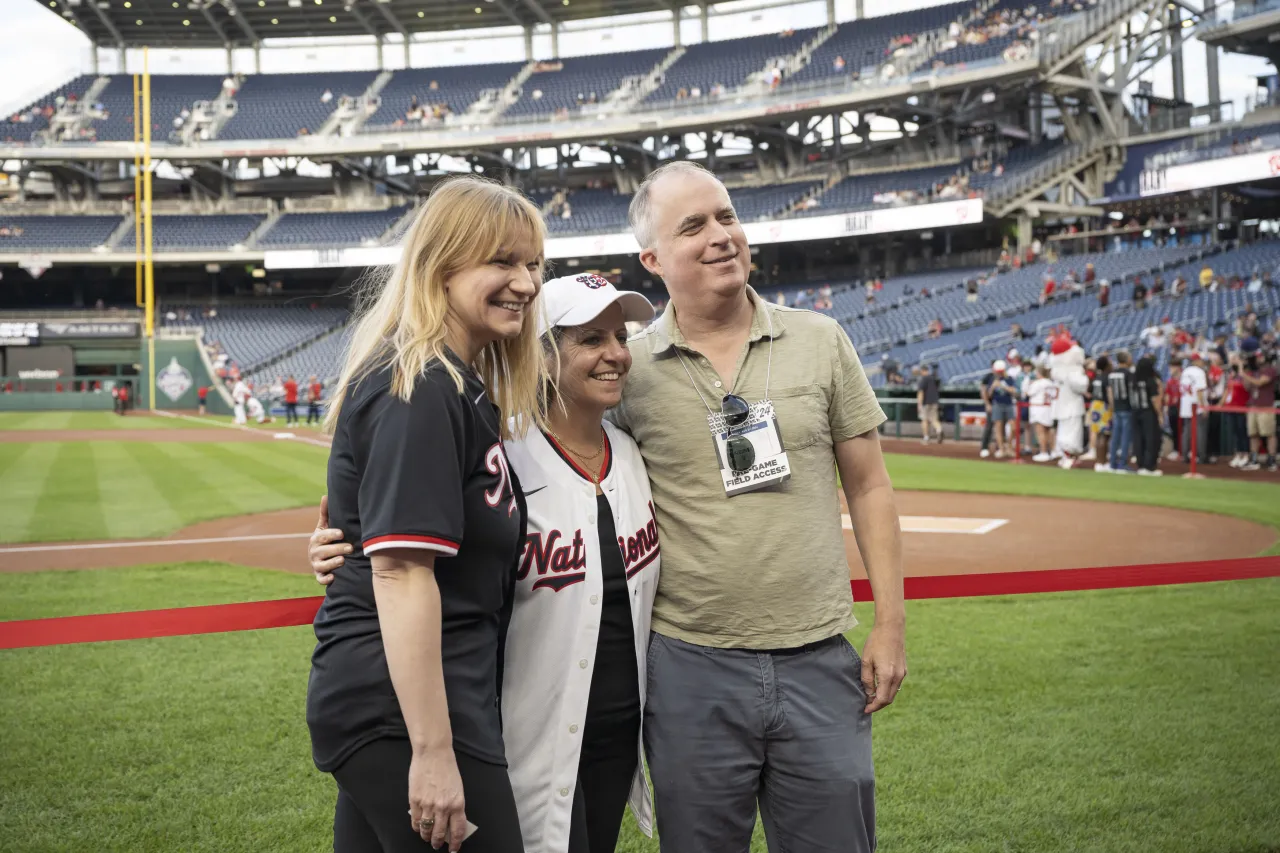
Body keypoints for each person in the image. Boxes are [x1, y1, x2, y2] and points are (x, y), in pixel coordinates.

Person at [311, 274, 663, 853]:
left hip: (617, 728)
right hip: (518, 727)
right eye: (591, 338)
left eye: (621, 336)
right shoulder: (500, 449)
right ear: (543, 354)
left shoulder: (633, 451)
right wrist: (339, 548)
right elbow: (401, 542)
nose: (617, 354)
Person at [613, 161, 904, 853]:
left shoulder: (820, 338)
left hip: (821, 663)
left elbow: (869, 485)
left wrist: (891, 623)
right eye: (694, 226)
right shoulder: (627, 368)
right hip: (688, 668)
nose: (721, 235)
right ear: (653, 259)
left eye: (727, 216)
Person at [305, 177, 546, 853]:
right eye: (501, 261)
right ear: (441, 265)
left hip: (417, 698)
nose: (524, 283)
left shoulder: (458, 383)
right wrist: (434, 751)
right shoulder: (421, 384)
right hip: (403, 709)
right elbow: (402, 573)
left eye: (532, 264)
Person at [1050, 333, 1088, 469]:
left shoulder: (1056, 370)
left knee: (1064, 432)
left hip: (1061, 406)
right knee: (1072, 434)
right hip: (1071, 405)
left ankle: (1066, 456)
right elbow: (1081, 386)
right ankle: (1068, 457)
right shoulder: (1072, 370)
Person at [1242, 350, 1277, 470]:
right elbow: (1247, 387)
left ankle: (1272, 460)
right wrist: (1245, 372)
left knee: (1269, 433)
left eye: (1260, 357)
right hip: (1253, 405)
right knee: (1253, 434)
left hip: (1265, 405)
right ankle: (1253, 459)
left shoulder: (1270, 370)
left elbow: (1261, 382)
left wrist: (1243, 374)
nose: (1258, 359)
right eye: (1257, 357)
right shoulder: (1255, 371)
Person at [1130, 355, 1163, 475]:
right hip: (1148, 412)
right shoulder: (1150, 380)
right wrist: (1159, 415)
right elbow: (1155, 400)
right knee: (1150, 438)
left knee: (1138, 438)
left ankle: (1141, 464)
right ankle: (1149, 466)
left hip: (1135, 411)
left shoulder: (1133, 380)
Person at [1105, 351, 1133, 473]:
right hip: (1127, 407)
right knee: (1125, 437)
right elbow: (1132, 392)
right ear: (1126, 359)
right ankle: (1123, 463)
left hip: (1116, 408)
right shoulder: (1129, 373)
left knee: (1115, 436)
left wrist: (1112, 407)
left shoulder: (1112, 374)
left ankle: (1112, 463)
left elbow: (1109, 392)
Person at [1179, 353, 1209, 465]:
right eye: (1201, 360)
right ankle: (1201, 456)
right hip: (1196, 405)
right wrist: (1203, 406)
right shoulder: (1199, 372)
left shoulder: (1185, 372)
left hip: (1185, 404)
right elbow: (1200, 391)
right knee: (1200, 431)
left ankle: (1185, 455)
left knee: (1186, 431)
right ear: (1196, 361)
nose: (1202, 362)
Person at [986, 360, 1017, 459]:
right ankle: (1001, 449)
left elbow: (1014, 391)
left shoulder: (1009, 379)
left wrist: (1003, 386)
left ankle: (1009, 446)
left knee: (1013, 427)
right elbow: (989, 395)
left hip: (1008, 404)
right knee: (998, 428)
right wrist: (992, 387)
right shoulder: (992, 379)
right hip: (997, 404)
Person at [1026, 365, 1057, 462]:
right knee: (1048, 431)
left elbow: (1028, 393)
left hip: (1038, 409)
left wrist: (1029, 383)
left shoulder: (1038, 383)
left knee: (1040, 431)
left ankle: (1043, 452)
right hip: (1048, 408)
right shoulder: (1051, 383)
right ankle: (1052, 451)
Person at [1084, 355, 1110, 467]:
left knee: (1096, 432)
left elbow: (1088, 392)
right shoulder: (1106, 378)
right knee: (1104, 434)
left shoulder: (1096, 378)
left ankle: (1096, 456)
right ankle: (1102, 460)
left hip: (1094, 404)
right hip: (1103, 405)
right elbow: (1109, 394)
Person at [917, 362, 943, 444]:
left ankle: (926, 437)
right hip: (935, 402)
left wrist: (919, 404)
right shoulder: (933, 378)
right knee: (934, 419)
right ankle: (939, 430)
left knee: (924, 419)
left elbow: (921, 392)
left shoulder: (923, 379)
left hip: (926, 402)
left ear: (922, 370)